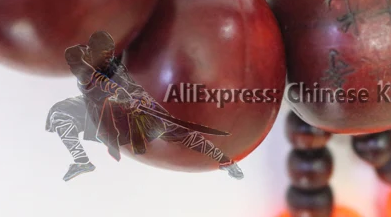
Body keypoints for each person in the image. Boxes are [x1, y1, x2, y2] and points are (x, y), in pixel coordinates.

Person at [46, 31, 244, 181]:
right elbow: (93, 77)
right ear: (91, 50)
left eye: (110, 54)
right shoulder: (79, 58)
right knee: (61, 114)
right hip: (96, 108)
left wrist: (136, 98)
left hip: (128, 109)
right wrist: (118, 92)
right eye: (104, 54)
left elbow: (130, 83)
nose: (108, 58)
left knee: (180, 133)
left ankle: (223, 160)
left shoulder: (116, 64)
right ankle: (82, 161)